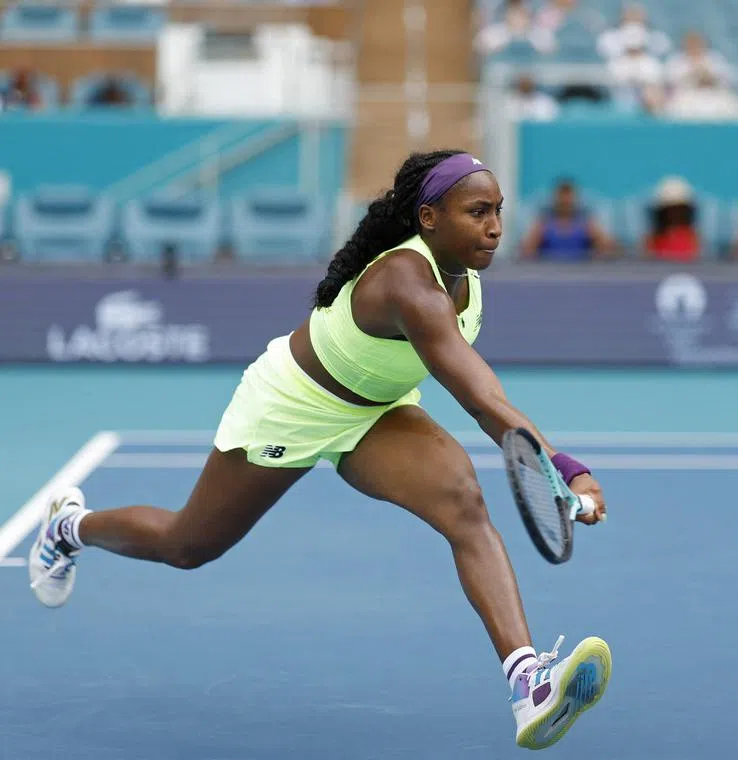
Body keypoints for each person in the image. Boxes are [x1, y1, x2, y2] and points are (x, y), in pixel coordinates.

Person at [27, 150, 612, 751]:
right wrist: (566, 469)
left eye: (498, 211)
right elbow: (482, 397)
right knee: (188, 544)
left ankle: (528, 684)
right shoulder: (408, 285)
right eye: (477, 212)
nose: (493, 226)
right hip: (292, 405)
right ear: (429, 217)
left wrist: (558, 469)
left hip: (375, 414)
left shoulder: (465, 277)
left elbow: (480, 394)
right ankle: (71, 527)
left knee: (462, 502)